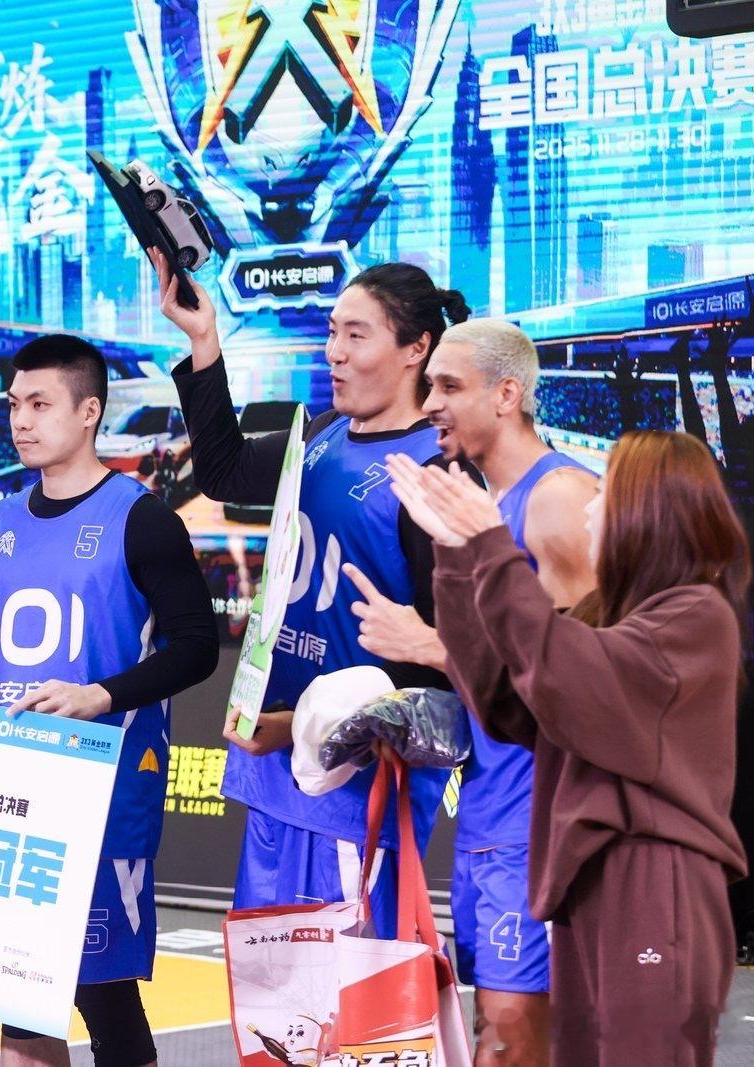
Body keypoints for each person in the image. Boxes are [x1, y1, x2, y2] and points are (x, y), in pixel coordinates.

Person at [390, 431, 749, 1066]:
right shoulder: (617, 615)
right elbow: (507, 699)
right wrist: (455, 555)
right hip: (594, 885)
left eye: (605, 491)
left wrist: (491, 545)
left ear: (645, 513)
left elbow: (561, 669)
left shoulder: (696, 616)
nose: (589, 507)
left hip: (654, 885)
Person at [0, 335, 219, 1067]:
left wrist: (100, 694)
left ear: (89, 412)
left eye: (40, 404)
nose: (21, 421)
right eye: (14, 405)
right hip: (13, 791)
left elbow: (197, 647)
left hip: (105, 790)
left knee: (104, 995)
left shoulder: (143, 517)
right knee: (17, 994)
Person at [154, 255, 465, 938]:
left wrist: (309, 725)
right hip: (275, 760)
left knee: (348, 992)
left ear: (416, 348)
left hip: (359, 789)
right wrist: (204, 341)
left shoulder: (437, 472)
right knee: (271, 984)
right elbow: (224, 470)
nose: (335, 352)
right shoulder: (322, 433)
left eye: (357, 335)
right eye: (331, 332)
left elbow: (443, 667)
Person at [342, 320, 596, 1065]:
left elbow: (588, 681)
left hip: (542, 820)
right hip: (489, 809)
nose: (430, 406)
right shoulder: (482, 505)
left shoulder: (560, 499)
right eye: (430, 387)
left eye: (449, 386)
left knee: (513, 1033)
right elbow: (498, 674)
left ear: (508, 395)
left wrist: (428, 645)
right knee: (500, 1025)